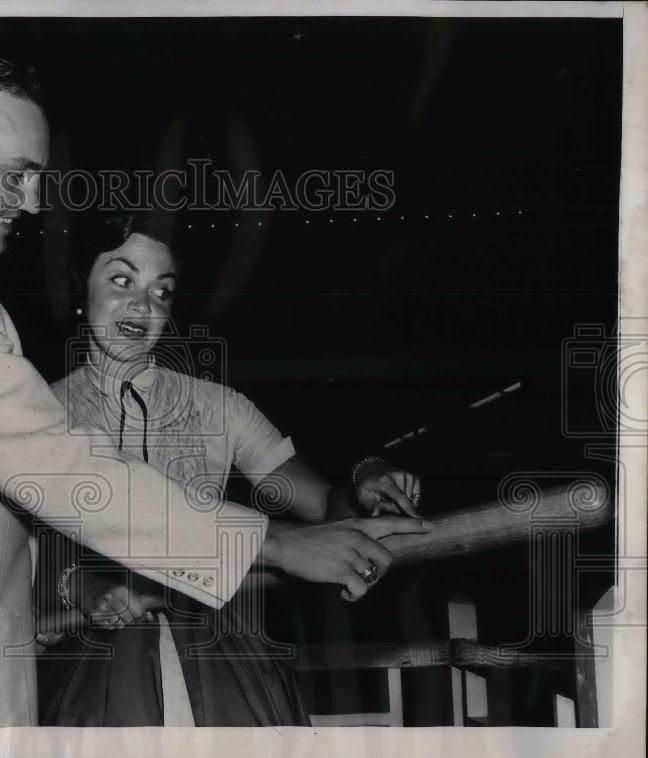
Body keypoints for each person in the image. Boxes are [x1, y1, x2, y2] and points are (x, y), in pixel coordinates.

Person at [0, 58, 433, 728]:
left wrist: (358, 486)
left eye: (162, 290)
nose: (30, 202)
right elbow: (63, 472)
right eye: (16, 173)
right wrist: (276, 546)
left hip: (167, 674)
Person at [36, 211, 424, 726]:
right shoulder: (36, 412)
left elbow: (321, 506)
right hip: (94, 670)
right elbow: (22, 554)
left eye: (161, 291)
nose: (141, 304)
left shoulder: (222, 407)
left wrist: (364, 482)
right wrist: (82, 587)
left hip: (226, 663)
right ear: (82, 291)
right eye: (122, 279)